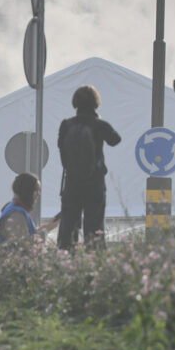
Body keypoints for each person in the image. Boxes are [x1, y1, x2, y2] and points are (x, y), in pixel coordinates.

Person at [57, 85, 122, 250]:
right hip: (95, 182)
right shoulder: (99, 125)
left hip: (71, 182)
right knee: (94, 225)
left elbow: (61, 149)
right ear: (95, 103)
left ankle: (66, 262)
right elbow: (115, 140)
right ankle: (94, 264)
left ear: (75, 103)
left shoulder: (66, 125)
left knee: (69, 226)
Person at [0, 173, 60, 276]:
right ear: (28, 191)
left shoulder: (15, 209)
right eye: (36, 190)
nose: (38, 194)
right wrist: (46, 230)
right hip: (6, 273)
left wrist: (40, 231)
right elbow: (26, 245)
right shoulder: (16, 215)